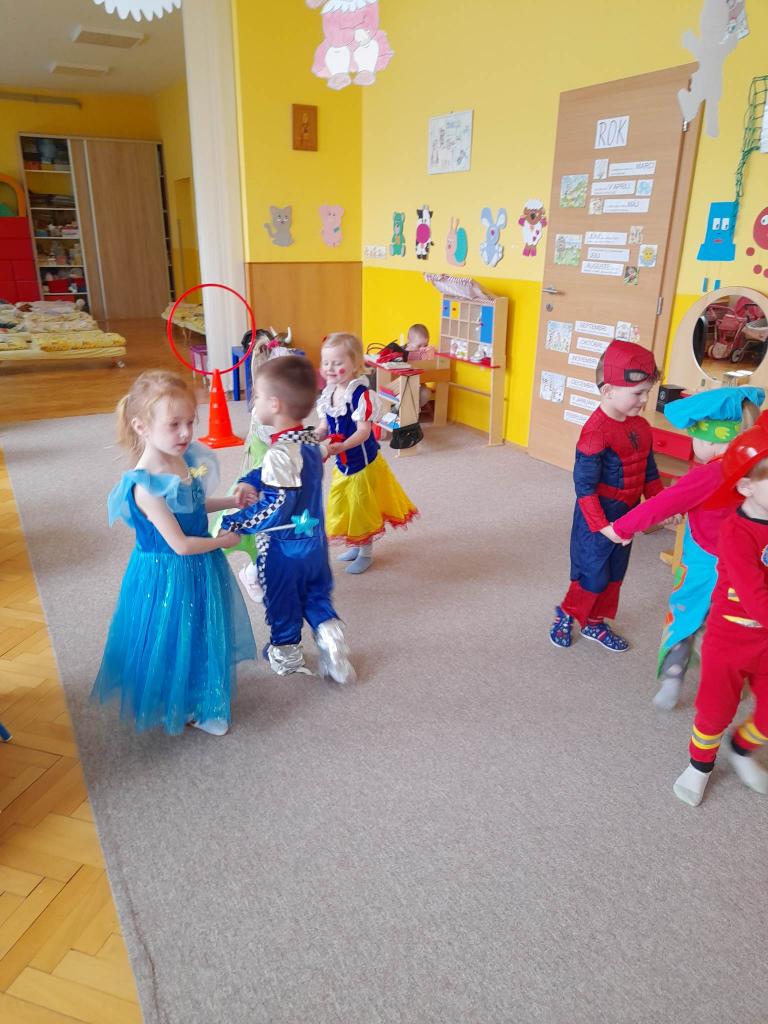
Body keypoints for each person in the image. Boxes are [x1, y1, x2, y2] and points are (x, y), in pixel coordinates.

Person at [91, 371, 255, 737]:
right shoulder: (145, 486)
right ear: (142, 427)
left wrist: (230, 501)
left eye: (190, 422)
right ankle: (184, 704)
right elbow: (180, 544)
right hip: (168, 573)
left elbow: (192, 505)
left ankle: (200, 693)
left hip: (198, 563)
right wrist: (223, 541)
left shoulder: (182, 457)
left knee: (199, 628)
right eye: (174, 425)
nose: (185, 433)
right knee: (173, 632)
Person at [602, 387, 764, 709]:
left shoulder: (709, 473)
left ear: (709, 441)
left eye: (694, 439)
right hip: (750, 564)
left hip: (705, 562)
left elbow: (662, 504)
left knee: (686, 615)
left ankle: (674, 676)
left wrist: (619, 528)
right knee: (733, 619)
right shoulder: (757, 471)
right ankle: (736, 678)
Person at [219, 356, 355, 683]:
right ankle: (329, 635)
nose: (253, 403)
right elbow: (273, 471)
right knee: (315, 595)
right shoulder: (308, 442)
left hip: (283, 548)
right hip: (313, 543)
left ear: (275, 404)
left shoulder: (280, 453)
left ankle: (286, 655)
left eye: (257, 396)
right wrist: (250, 480)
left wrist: (236, 522)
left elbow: (277, 504)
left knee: (283, 602)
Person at [673, 412, 768, 806]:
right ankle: (699, 766)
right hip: (730, 637)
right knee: (714, 710)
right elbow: (753, 594)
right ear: (745, 487)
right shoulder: (736, 532)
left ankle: (742, 748)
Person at [549, 340, 661, 652]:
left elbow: (648, 470)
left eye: (647, 392)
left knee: (614, 575)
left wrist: (661, 506)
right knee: (592, 574)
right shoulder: (596, 431)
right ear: (608, 390)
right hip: (597, 517)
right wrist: (603, 527)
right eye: (638, 393)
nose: (645, 400)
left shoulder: (642, 426)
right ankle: (567, 613)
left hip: (627, 515)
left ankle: (595, 623)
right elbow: (584, 487)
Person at [316, 332, 418, 574]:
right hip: (343, 463)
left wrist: (343, 446)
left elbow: (364, 432)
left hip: (362, 463)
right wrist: (311, 438)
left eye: (337, 363)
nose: (330, 368)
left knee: (362, 508)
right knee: (346, 506)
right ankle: (356, 544)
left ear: (355, 365)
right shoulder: (328, 394)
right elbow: (324, 427)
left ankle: (366, 553)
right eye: (326, 362)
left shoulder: (361, 395)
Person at [211, 329, 292, 604]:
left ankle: (265, 571)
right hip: (265, 486)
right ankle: (252, 573)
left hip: (276, 481)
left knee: (281, 533)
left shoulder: (273, 409)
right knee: (270, 532)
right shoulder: (268, 418)